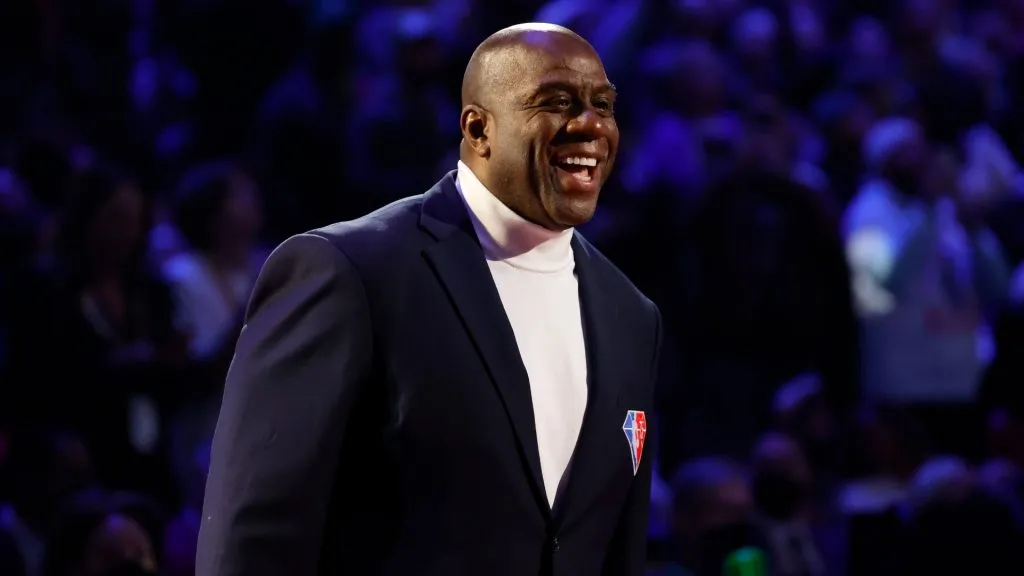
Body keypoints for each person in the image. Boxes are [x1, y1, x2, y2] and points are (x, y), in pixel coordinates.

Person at [197, 23, 662, 576]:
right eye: (558, 102)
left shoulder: (632, 315)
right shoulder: (351, 271)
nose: (589, 124)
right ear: (478, 128)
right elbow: (255, 536)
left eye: (603, 105)